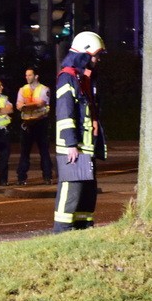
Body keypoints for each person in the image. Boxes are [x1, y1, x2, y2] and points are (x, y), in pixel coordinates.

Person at [53, 31, 107, 232]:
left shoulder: (82, 78)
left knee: (86, 191)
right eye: (96, 54)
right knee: (71, 191)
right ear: (84, 53)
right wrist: (70, 144)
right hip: (75, 148)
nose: (98, 59)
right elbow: (64, 112)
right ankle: (62, 231)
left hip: (86, 147)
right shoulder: (67, 78)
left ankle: (83, 228)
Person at [16, 66, 53, 185]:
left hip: (40, 122)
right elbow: (18, 105)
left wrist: (26, 105)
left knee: (44, 151)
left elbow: (41, 103)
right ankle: (21, 178)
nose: (27, 77)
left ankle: (47, 177)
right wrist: (31, 105)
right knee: (24, 152)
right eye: (26, 75)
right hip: (27, 123)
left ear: (36, 76)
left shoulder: (44, 89)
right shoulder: (23, 89)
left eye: (29, 75)